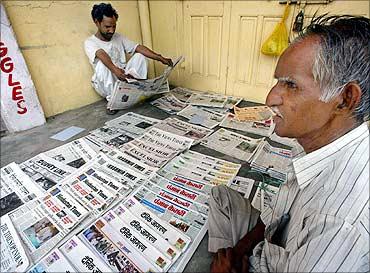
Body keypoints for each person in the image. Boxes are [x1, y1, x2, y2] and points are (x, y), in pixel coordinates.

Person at [208, 15, 369, 272]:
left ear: (345, 98)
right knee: (220, 196)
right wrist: (238, 253)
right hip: (272, 251)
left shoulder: (338, 221)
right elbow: (274, 219)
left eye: (291, 85)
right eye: (278, 82)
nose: (270, 98)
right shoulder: (320, 145)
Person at [84, 3, 173, 114]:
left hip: (123, 77)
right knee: (103, 64)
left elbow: (138, 47)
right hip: (106, 83)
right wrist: (115, 70)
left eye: (114, 26)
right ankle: (113, 102)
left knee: (140, 56)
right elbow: (101, 53)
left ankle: (138, 91)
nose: (111, 30)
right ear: (97, 22)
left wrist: (160, 58)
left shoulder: (118, 37)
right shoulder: (90, 42)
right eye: (107, 27)